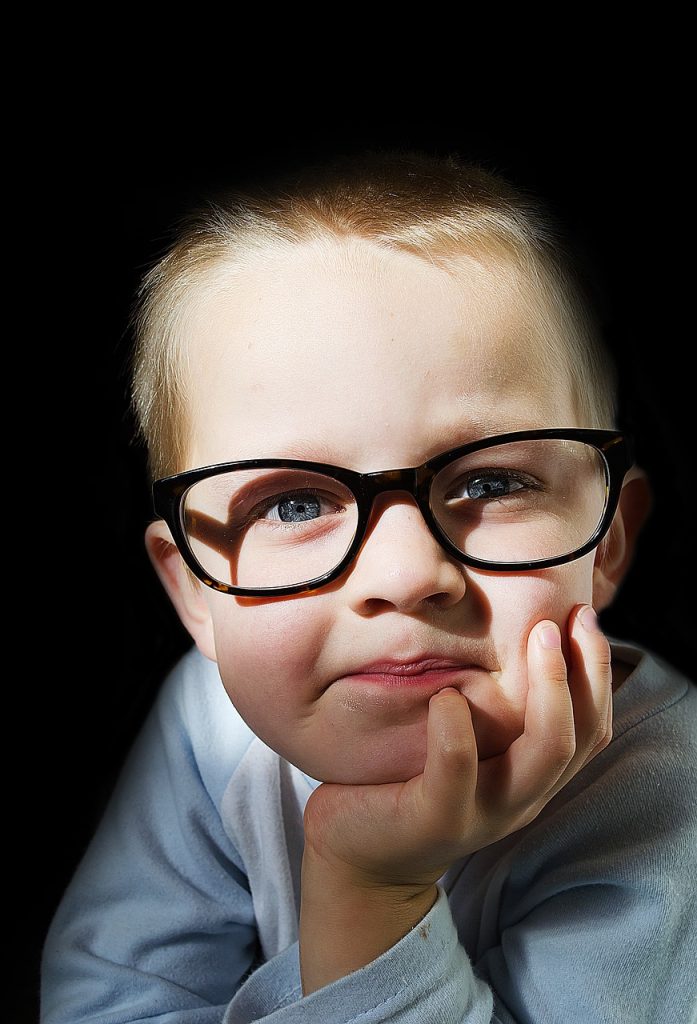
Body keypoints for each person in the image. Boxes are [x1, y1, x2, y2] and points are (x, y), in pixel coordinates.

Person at [41, 149, 697, 1023]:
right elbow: (114, 1000)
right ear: (196, 592)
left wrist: (369, 889)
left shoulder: (666, 796)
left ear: (607, 545)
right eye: (294, 501)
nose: (405, 575)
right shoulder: (212, 722)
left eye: (492, 482)